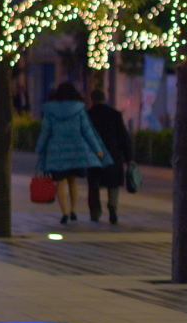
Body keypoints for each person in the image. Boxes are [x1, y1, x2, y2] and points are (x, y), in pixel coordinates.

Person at [35, 83, 111, 225]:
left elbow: (45, 131)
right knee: (72, 181)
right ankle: (73, 210)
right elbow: (87, 131)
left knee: (61, 182)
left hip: (56, 153)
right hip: (76, 151)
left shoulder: (50, 110)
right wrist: (98, 150)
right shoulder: (79, 109)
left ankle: (64, 213)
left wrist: (39, 149)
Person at [87, 88, 133, 225]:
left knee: (94, 185)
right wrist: (129, 157)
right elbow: (123, 137)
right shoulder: (115, 114)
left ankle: (95, 212)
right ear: (104, 98)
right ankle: (112, 207)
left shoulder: (87, 115)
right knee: (113, 184)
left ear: (92, 99)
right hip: (113, 154)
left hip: (94, 155)